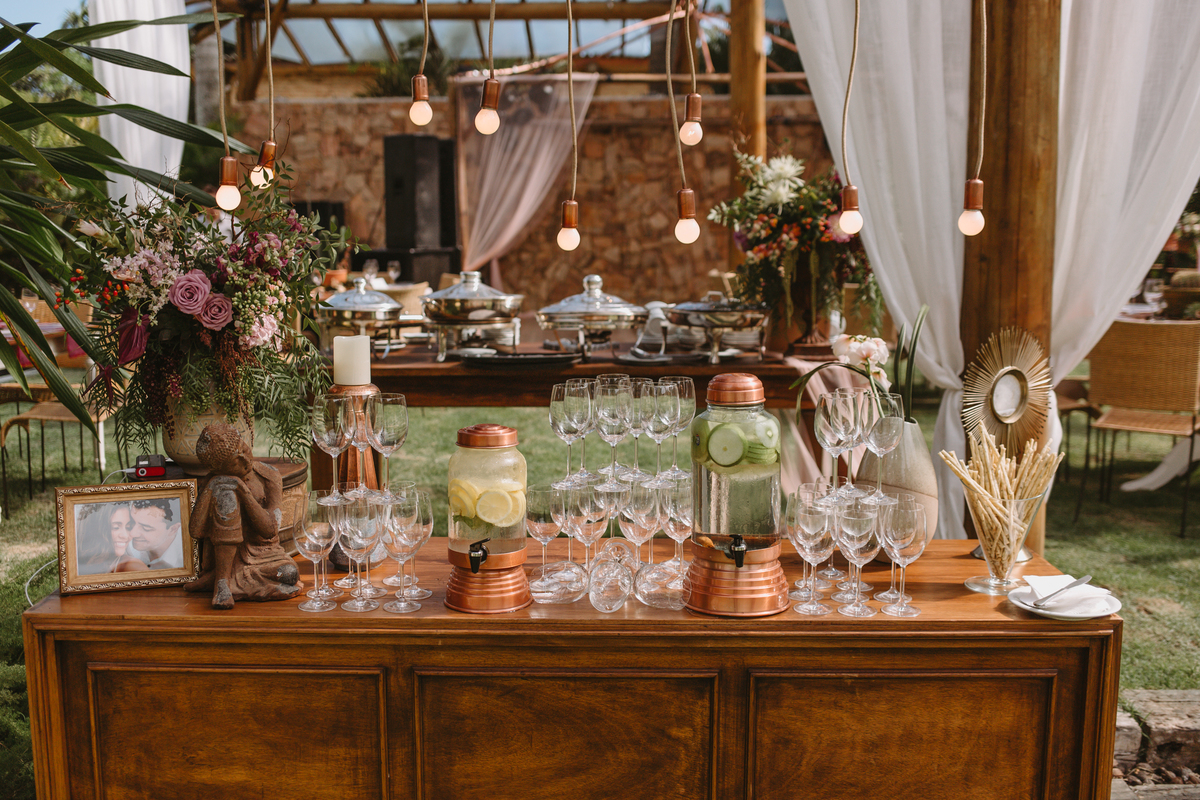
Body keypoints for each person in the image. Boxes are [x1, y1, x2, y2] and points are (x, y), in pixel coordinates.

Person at [185, 422, 301, 608]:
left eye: (244, 450)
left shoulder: (269, 475)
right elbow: (195, 530)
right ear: (218, 469)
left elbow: (270, 529)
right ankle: (222, 583)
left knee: (288, 574)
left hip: (264, 556)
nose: (246, 461)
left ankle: (225, 580)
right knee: (226, 494)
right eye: (235, 462)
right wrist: (212, 486)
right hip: (225, 560)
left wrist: (243, 491)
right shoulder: (214, 481)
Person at [76, 503, 150, 575]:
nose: (125, 535)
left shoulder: (133, 566)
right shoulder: (76, 563)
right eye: (116, 527)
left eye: (128, 527)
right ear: (95, 530)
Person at [127, 498, 184, 570]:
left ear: (173, 529)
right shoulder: (123, 545)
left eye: (146, 528)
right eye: (131, 522)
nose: (132, 534)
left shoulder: (184, 562)